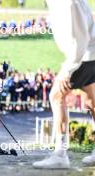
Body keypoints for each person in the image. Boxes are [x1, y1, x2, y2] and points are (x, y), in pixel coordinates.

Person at [33, 0, 95, 169]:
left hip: (82, 55)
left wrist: (67, 70)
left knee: (56, 96)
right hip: (89, 52)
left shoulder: (67, 3)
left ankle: (60, 154)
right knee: (91, 102)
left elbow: (80, 40)